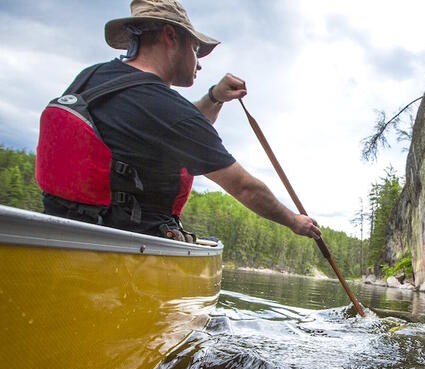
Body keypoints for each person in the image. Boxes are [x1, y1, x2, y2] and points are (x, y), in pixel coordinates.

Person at [37, 0, 321, 242]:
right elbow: (243, 186)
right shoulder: (167, 110)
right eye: (196, 48)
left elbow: (168, 128)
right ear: (170, 37)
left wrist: (214, 97)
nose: (199, 62)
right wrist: (295, 222)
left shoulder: (90, 77)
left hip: (59, 233)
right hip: (129, 247)